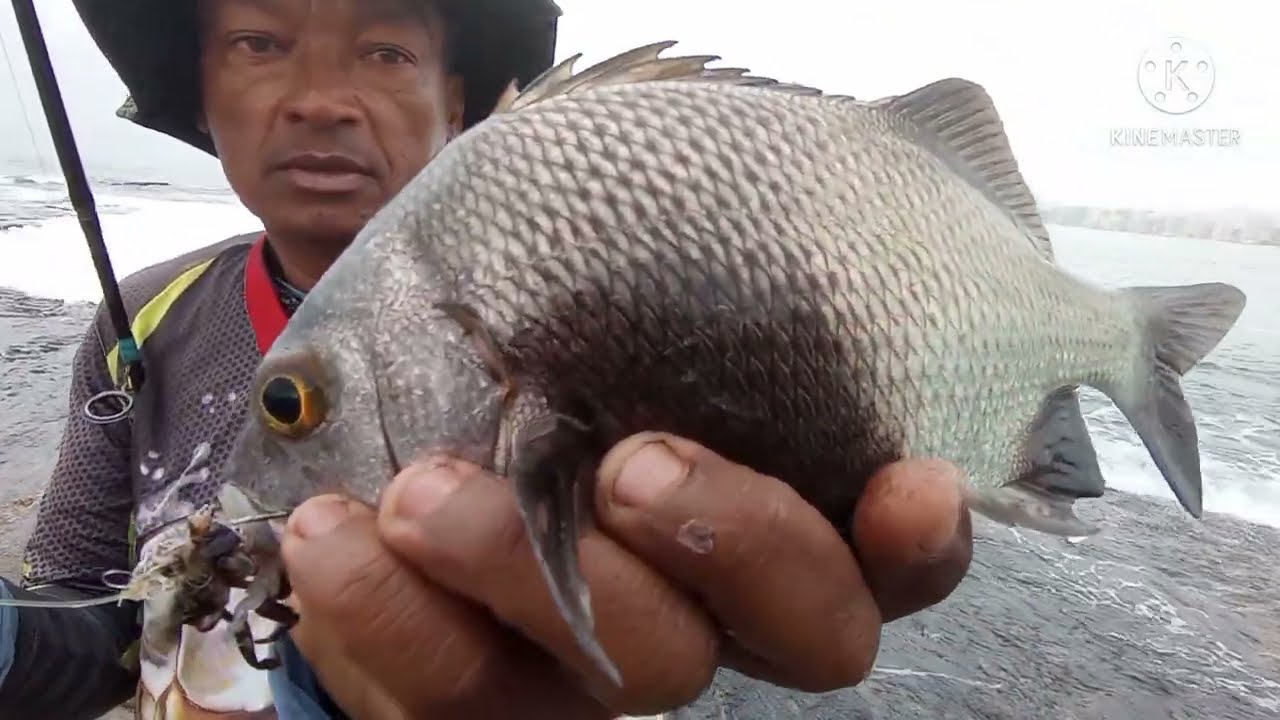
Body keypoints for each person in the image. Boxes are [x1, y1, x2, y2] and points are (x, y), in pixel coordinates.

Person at [0, 0, 975, 718]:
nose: (321, 101)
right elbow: (83, 597)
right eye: (259, 42)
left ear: (454, 101)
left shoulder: (588, 282)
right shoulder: (143, 315)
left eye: (383, 49)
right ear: (201, 92)